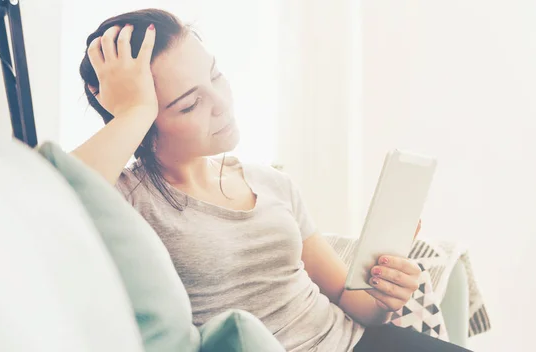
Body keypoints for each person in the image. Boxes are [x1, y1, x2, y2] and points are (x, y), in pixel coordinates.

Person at [72, 8, 469, 352]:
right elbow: (50, 194)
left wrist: (386, 295)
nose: (222, 104)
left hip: (358, 341)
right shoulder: (127, 199)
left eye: (216, 76)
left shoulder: (271, 183)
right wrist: (133, 110)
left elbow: (354, 304)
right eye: (190, 103)